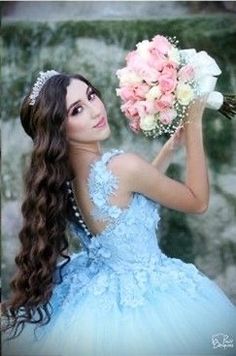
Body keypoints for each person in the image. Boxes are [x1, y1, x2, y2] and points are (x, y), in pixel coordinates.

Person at [1, 70, 236, 356]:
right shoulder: (122, 167)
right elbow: (198, 201)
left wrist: (170, 148)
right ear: (58, 129)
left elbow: (127, 200)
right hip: (149, 295)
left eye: (90, 96)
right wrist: (195, 121)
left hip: (97, 290)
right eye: (77, 110)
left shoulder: (62, 179)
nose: (95, 110)